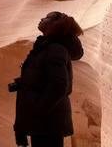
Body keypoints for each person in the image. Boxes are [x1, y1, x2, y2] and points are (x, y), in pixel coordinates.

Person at [10, 11, 84, 147]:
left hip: (47, 124)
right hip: (44, 124)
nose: (42, 18)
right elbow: (44, 80)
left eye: (47, 18)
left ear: (56, 24)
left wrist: (38, 111)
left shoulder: (55, 50)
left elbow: (59, 85)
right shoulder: (46, 48)